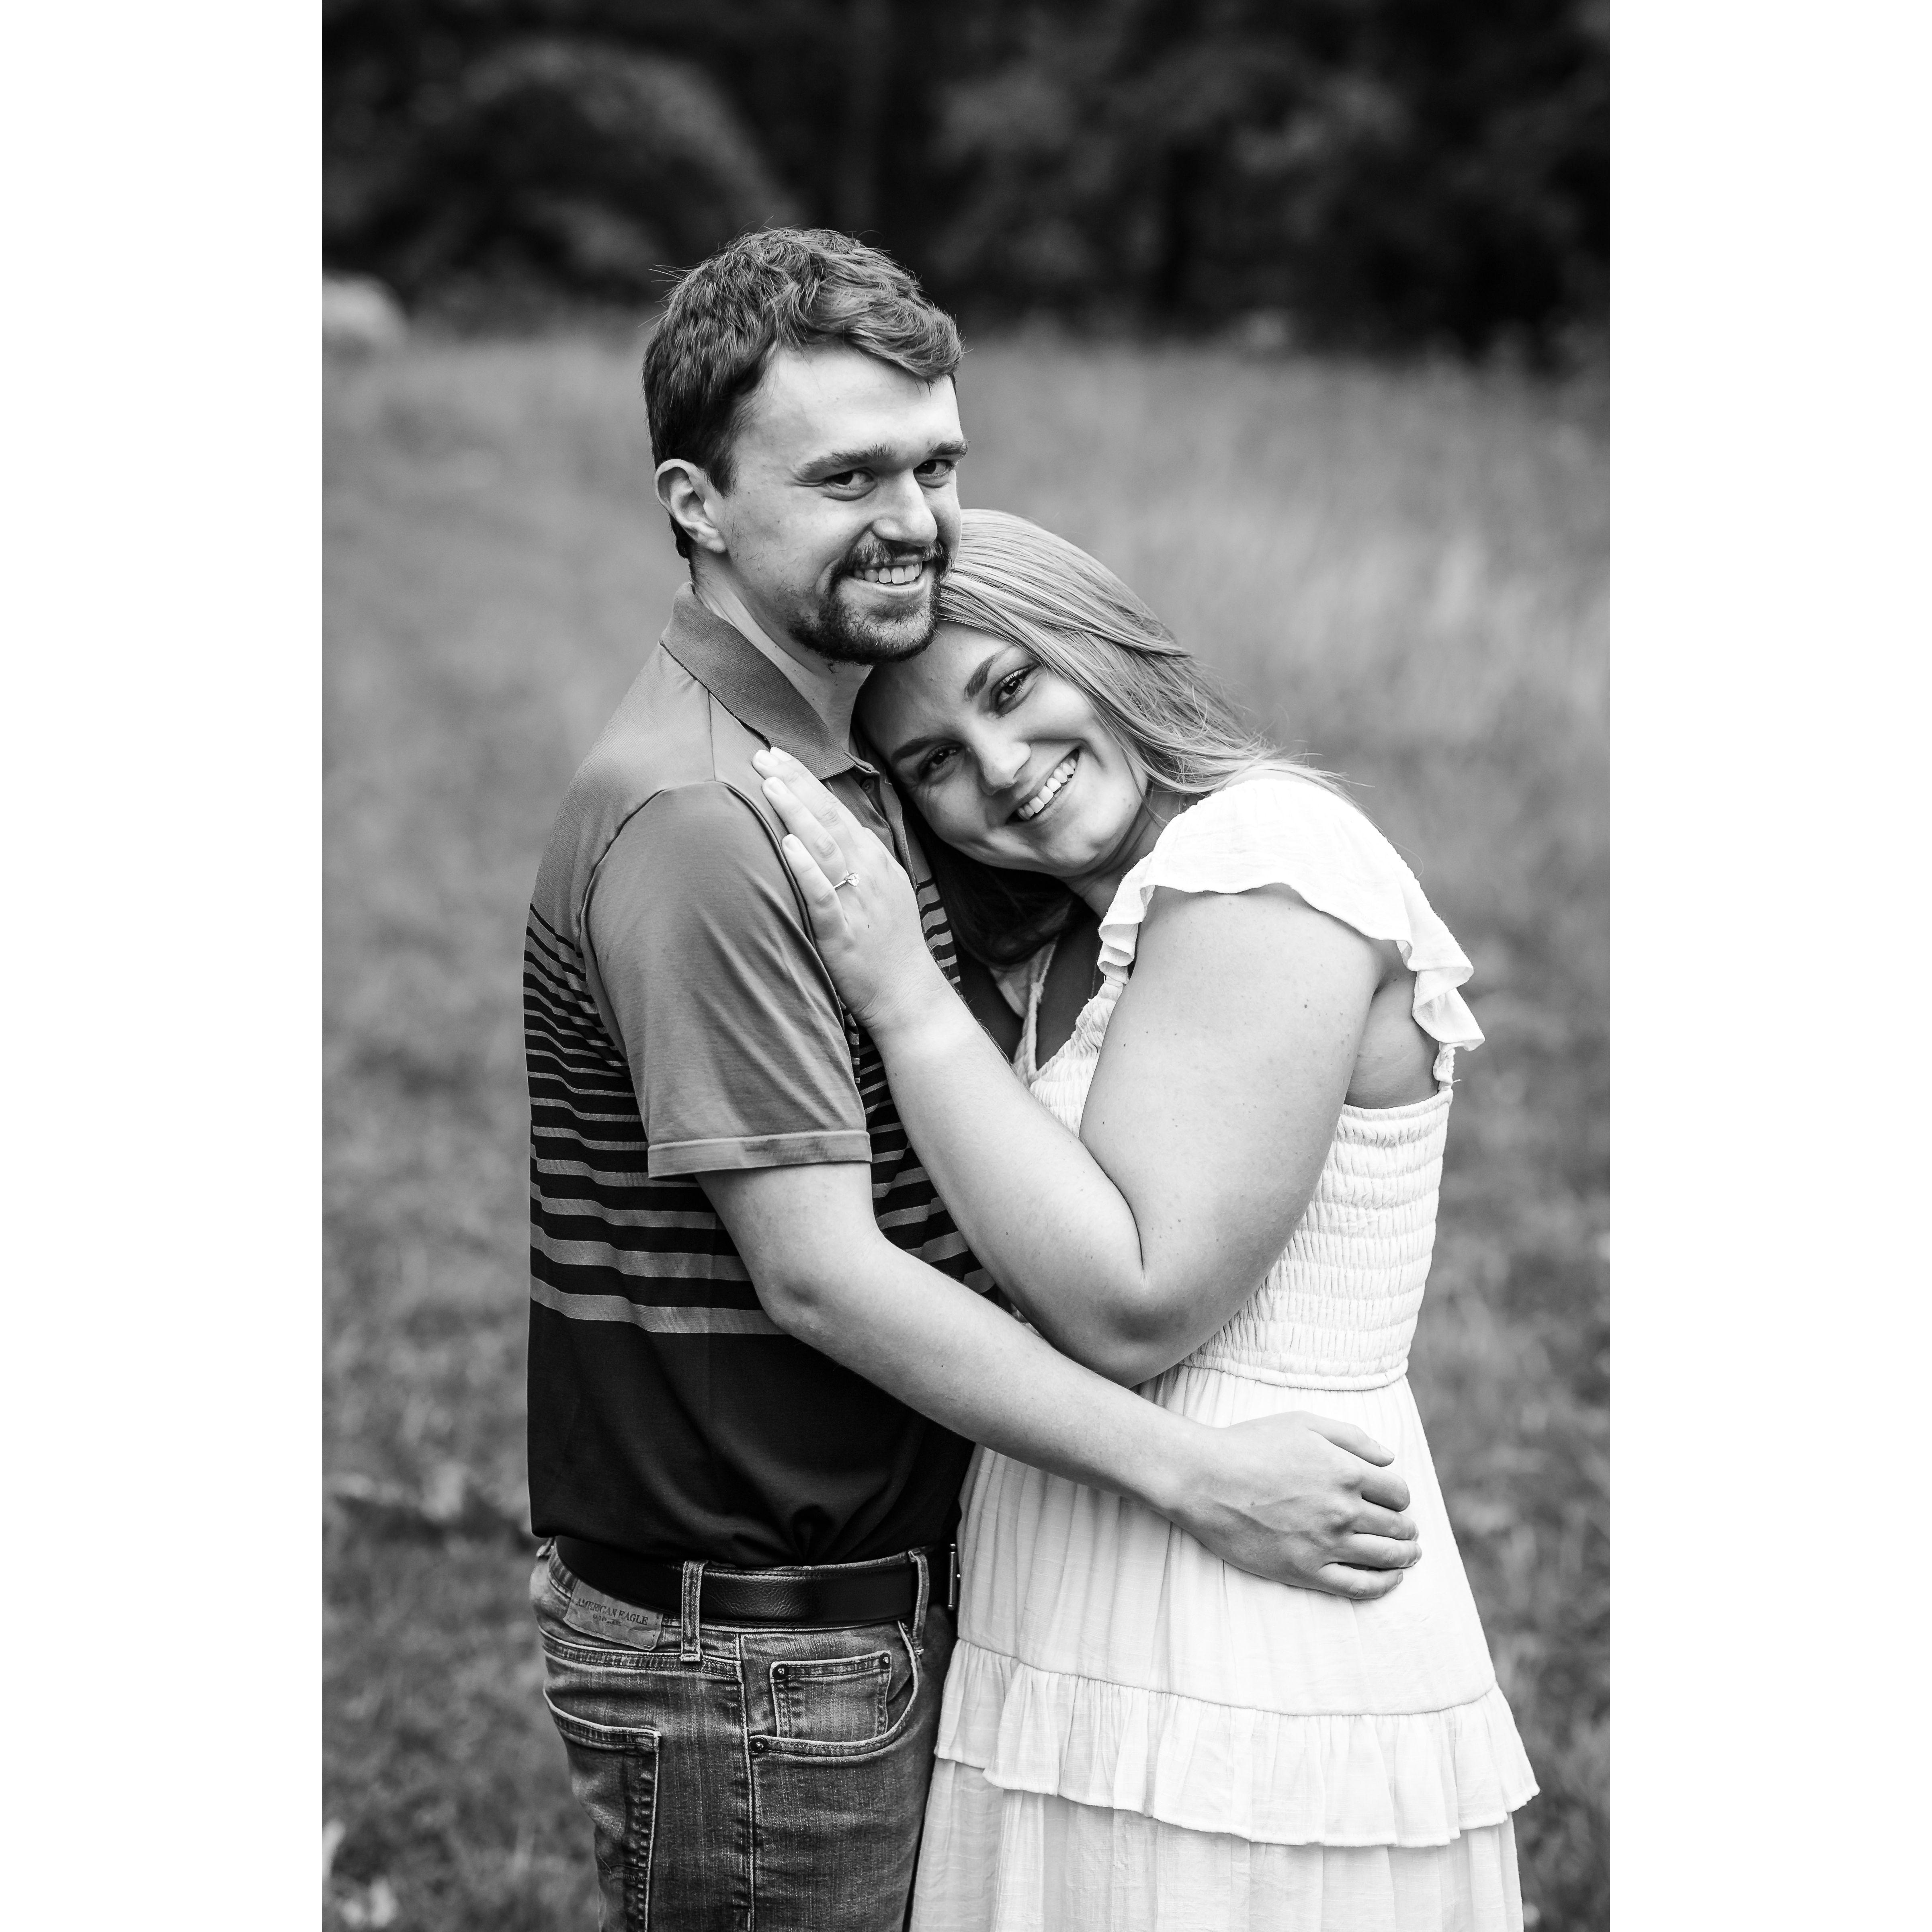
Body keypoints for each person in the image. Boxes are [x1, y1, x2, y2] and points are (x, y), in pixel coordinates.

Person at [523, 230, 1426, 1931]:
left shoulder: (842, 770)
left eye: (933, 464)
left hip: (893, 1609)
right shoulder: (713, 817)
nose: (912, 517)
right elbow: (817, 1270)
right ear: (696, 503)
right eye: (845, 475)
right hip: (765, 1642)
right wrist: (1192, 1474)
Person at [754, 508, 1540, 1931]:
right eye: (935, 761)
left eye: (1011, 688)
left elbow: (1136, 1303)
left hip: (1253, 1608)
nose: (1003, 767)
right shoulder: (1083, 933)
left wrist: (900, 991)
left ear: (1100, 642)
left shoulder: (1268, 856)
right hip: (1081, 1594)